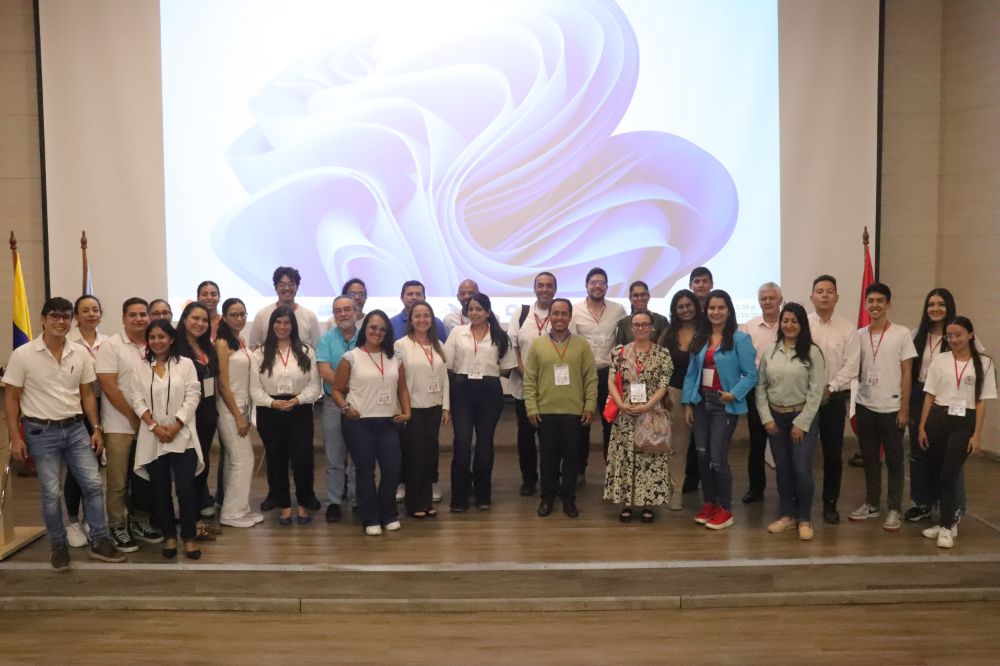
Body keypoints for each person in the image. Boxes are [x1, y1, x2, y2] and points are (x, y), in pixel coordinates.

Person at [3, 297, 125, 570]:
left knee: (93, 484)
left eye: (66, 317)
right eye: (55, 316)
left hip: (75, 429)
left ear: (71, 321)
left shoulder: (79, 353)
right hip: (40, 431)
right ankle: (58, 545)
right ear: (43, 319)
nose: (61, 321)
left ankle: (100, 539)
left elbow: (87, 394)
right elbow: (11, 398)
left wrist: (96, 428)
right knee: (51, 491)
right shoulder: (23, 354)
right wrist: (15, 437)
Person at [127, 319, 205, 559]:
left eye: (161, 336)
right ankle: (169, 535)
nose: (157, 341)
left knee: (185, 489)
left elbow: (193, 395)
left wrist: (176, 425)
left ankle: (189, 537)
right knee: (159, 490)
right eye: (152, 337)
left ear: (171, 339)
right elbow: (136, 399)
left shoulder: (186, 364)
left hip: (182, 435)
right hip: (153, 437)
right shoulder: (140, 367)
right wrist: (154, 427)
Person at [918, 316, 996, 548]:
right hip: (938, 418)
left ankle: (946, 527)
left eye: (958, 335)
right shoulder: (940, 360)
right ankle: (948, 522)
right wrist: (922, 426)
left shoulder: (984, 363)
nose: (953, 339)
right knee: (937, 472)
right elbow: (930, 394)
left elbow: (981, 402)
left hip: (964, 422)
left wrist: (977, 434)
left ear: (970, 335)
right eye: (949, 335)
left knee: (949, 474)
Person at [683, 289, 758, 531]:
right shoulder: (701, 337)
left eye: (721, 308)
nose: (716, 312)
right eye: (712, 308)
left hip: (723, 404)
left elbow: (751, 375)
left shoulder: (740, 339)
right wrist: (688, 403)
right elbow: (691, 374)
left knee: (717, 458)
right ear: (706, 311)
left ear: (729, 311)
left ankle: (725, 509)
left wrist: (733, 394)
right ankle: (709, 503)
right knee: (703, 456)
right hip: (700, 403)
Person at [331, 310, 411, 534]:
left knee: (392, 469)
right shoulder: (351, 357)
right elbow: (337, 390)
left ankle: (389, 513)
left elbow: (402, 389)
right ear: (365, 328)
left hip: (389, 422)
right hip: (359, 423)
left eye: (383, 329)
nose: (377, 332)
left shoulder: (395, 358)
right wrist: (346, 408)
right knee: (365, 472)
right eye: (373, 327)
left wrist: (407, 412)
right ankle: (370, 517)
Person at [848, 283, 917, 531]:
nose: (874, 305)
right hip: (865, 405)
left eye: (880, 301)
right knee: (869, 458)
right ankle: (872, 504)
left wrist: (904, 408)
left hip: (892, 408)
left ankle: (895, 508)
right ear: (865, 305)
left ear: (888, 304)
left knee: (895, 460)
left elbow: (907, 372)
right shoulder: (859, 335)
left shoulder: (901, 333)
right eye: (871, 301)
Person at [756, 303, 826, 541]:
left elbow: (816, 392)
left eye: (794, 321)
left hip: (802, 418)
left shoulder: (812, 352)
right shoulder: (770, 351)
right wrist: (766, 418)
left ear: (802, 324)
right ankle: (787, 515)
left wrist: (802, 423)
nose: (789, 325)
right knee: (783, 468)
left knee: (802, 469)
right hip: (775, 419)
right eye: (785, 320)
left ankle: (804, 518)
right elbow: (761, 387)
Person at [522, 299, 597, 518]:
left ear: (570, 317)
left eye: (564, 313)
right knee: (548, 459)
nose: (560, 318)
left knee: (572, 459)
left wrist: (590, 405)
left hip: (574, 412)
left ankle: (569, 499)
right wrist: (531, 407)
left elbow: (590, 379)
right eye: (555, 313)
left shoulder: (582, 345)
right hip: (545, 412)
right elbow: (530, 379)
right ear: (550, 317)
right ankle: (547, 498)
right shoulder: (537, 345)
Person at [96, 297, 159, 552]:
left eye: (143, 314)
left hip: (150, 424)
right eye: (133, 314)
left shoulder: (155, 343)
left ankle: (140, 522)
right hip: (119, 424)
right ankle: (117, 526)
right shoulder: (111, 346)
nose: (139, 319)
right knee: (118, 481)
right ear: (123, 318)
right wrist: (133, 417)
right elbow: (108, 386)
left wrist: (148, 420)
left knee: (144, 479)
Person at [444, 293, 517, 511]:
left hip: (489, 390)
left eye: (479, 309)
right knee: (462, 440)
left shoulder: (500, 335)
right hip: (462, 389)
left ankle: (483, 494)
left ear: (488, 312)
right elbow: (448, 363)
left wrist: (487, 373)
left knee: (485, 441)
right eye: (471, 309)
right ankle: (459, 497)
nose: (474, 313)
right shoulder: (457, 333)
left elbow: (506, 367)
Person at [250, 306, 323, 525]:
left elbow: (315, 386)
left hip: (299, 409)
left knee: (302, 460)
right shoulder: (259, 353)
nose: (282, 327)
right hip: (270, 411)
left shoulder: (306, 351)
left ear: (293, 325)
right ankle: (284, 506)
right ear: (272, 325)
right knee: (276, 460)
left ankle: (303, 504)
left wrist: (298, 400)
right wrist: (272, 403)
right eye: (278, 322)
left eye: (287, 323)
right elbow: (255, 389)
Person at [604, 311, 673, 523]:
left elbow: (663, 385)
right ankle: (625, 502)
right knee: (625, 457)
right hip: (625, 414)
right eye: (636, 325)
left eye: (645, 324)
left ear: (652, 327)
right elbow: (611, 381)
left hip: (651, 414)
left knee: (649, 457)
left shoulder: (662, 354)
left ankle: (648, 503)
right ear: (631, 328)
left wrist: (647, 405)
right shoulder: (620, 352)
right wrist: (621, 404)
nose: (640, 328)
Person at [807, 275, 861, 524]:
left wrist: (830, 387)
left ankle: (830, 503)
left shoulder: (848, 329)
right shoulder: (803, 325)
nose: (825, 295)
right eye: (820, 291)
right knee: (803, 454)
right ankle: (801, 502)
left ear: (837, 297)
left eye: (829, 291)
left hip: (834, 398)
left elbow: (852, 365)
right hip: (805, 398)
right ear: (812, 297)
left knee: (832, 454)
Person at [905, 288, 956, 523]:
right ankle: (921, 503)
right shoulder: (917, 334)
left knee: (944, 453)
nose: (935, 309)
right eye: (931, 304)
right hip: (919, 395)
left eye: (941, 304)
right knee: (919, 451)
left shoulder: (957, 333)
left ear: (949, 307)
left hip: (946, 399)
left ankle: (947, 504)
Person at [572, 267, 627, 483]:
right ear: (586, 285)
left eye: (601, 282)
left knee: (610, 422)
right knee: (581, 423)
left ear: (606, 286)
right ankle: (579, 470)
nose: (597, 286)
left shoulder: (618, 310)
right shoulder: (574, 310)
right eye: (593, 282)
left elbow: (623, 339)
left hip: (608, 374)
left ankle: (611, 470)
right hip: (582, 374)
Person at [395, 302, 450, 518]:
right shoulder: (401, 345)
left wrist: (446, 407)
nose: (422, 320)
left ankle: (426, 501)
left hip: (434, 407)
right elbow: (398, 380)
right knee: (414, 455)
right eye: (417, 316)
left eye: (426, 315)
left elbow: (445, 378)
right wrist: (402, 408)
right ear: (411, 319)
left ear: (432, 319)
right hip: (412, 408)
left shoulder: (438, 344)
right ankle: (414, 503)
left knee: (430, 455)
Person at [62, 294, 108, 547]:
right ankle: (72, 520)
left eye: (95, 310)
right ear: (76, 316)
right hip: (76, 410)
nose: (91, 314)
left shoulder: (108, 342)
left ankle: (91, 518)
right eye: (85, 310)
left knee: (96, 469)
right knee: (77, 469)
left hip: (105, 407)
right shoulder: (67, 343)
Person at [508, 271, 557, 496]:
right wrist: (527, 377)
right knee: (526, 436)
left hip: (553, 389)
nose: (545, 289)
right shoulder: (522, 312)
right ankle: (529, 479)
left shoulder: (561, 312)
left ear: (555, 289)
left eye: (549, 285)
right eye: (541, 285)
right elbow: (513, 346)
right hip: (524, 386)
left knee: (551, 437)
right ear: (534, 288)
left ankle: (552, 478)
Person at [174, 302, 222, 535]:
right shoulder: (175, 348)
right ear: (184, 319)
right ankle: (190, 521)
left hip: (207, 415)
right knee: (188, 467)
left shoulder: (207, 346)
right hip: (187, 416)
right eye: (195, 318)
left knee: (203, 464)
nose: (200, 323)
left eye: (204, 320)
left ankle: (198, 510)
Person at [214, 298, 262, 528]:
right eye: (234, 314)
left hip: (243, 405)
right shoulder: (222, 343)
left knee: (235, 460)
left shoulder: (240, 340)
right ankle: (231, 513)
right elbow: (223, 385)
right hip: (229, 408)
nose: (240, 318)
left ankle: (238, 508)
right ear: (224, 317)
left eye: (243, 314)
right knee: (244, 460)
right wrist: (238, 416)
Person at [738, 282, 783, 504]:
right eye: (763, 299)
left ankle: (786, 489)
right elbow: (744, 360)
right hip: (756, 392)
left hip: (785, 393)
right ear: (758, 302)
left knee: (783, 444)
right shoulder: (748, 327)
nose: (767, 302)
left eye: (771, 298)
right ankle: (756, 490)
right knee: (756, 443)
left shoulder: (789, 323)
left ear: (780, 300)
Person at [656, 289, 701, 510]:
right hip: (675, 394)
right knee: (678, 447)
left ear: (695, 306)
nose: (685, 310)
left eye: (688, 305)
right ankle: (676, 491)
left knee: (706, 447)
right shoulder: (669, 334)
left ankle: (711, 495)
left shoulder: (706, 331)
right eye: (680, 306)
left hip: (704, 395)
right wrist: (663, 393)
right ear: (675, 310)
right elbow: (659, 365)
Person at [317, 295, 360, 523]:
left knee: (359, 455)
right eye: (338, 311)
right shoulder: (326, 339)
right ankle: (334, 501)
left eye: (347, 309)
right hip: (333, 403)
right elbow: (324, 370)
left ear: (356, 311)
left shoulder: (366, 336)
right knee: (334, 455)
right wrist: (345, 388)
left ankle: (357, 498)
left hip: (361, 404)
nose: (343, 314)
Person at [682, 266, 714, 493]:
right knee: (691, 435)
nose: (701, 285)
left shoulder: (717, 308)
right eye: (697, 281)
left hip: (713, 381)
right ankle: (691, 478)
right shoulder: (688, 311)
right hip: (690, 379)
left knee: (711, 436)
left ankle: (711, 479)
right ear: (691, 285)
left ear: (711, 284)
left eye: (704, 281)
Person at [248, 266, 322, 349]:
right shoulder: (262, 314)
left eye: (291, 284)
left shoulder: (310, 316)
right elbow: (253, 347)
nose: (287, 288)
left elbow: (318, 349)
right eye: (282, 284)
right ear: (276, 287)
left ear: (297, 287)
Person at [613, 280, 669, 346]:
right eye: (636, 295)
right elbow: (619, 348)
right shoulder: (623, 323)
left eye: (643, 295)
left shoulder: (661, 321)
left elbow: (666, 346)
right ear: (630, 298)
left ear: (648, 296)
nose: (640, 298)